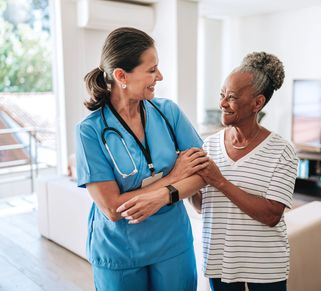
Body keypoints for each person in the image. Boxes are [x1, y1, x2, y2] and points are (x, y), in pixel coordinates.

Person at [75, 27, 208, 291]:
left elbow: (203, 172)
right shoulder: (89, 130)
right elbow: (113, 208)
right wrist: (174, 178)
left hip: (173, 244)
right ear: (121, 76)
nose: (160, 76)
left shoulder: (168, 112)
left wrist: (164, 195)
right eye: (151, 70)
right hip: (119, 251)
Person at [192, 52, 298, 291]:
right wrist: (186, 178)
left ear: (257, 103)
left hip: (265, 266)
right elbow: (202, 206)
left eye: (231, 97)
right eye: (222, 95)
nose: (221, 104)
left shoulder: (282, 151)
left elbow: (271, 216)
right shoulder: (209, 145)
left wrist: (220, 181)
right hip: (219, 261)